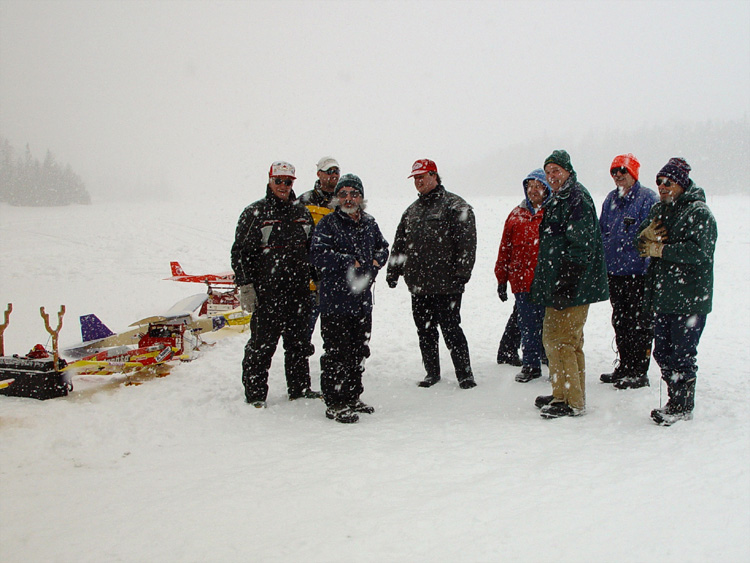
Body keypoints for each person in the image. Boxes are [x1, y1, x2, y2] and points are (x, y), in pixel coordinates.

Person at [231, 161, 322, 407]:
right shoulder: (255, 213)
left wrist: (317, 281)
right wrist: (246, 286)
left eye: (288, 181)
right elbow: (240, 252)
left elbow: (312, 250)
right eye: (278, 181)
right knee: (261, 346)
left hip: (299, 292)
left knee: (299, 345)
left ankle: (299, 388)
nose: (283, 186)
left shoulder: (302, 213)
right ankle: (255, 394)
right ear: (270, 180)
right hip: (268, 294)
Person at [637, 157, 717, 426]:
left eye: (668, 182)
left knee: (682, 355)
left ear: (682, 184)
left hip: (690, 298)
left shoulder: (699, 213)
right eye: (659, 182)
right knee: (662, 352)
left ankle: (682, 405)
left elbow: (700, 251)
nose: (662, 186)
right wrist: (644, 236)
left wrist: (663, 250)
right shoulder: (659, 209)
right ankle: (674, 398)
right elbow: (641, 242)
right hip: (663, 296)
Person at [530, 150, 609, 418]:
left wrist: (567, 283)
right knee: (559, 340)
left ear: (568, 171)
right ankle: (562, 393)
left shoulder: (576, 198)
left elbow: (580, 246)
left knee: (562, 340)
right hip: (560, 284)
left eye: (556, 171)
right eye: (548, 172)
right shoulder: (559, 198)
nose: (552, 176)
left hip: (572, 287)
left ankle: (571, 401)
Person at [386, 159, 477, 389]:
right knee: (425, 331)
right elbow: (400, 244)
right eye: (415, 178)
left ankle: (465, 375)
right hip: (418, 284)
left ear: (434, 176)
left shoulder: (455, 206)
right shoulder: (411, 211)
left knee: (451, 329)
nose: (418, 181)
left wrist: (462, 272)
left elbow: (467, 242)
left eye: (422, 176)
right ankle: (432, 373)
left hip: (447, 284)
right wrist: (393, 270)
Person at [310, 174, 389, 423]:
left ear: (361, 197)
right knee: (336, 353)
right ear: (337, 197)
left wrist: (376, 262)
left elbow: (383, 247)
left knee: (359, 351)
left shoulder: (369, 223)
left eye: (354, 194)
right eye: (343, 194)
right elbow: (318, 255)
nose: (348, 198)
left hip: (362, 302)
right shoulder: (328, 224)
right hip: (335, 302)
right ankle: (335, 402)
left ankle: (353, 396)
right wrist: (348, 261)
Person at [599, 154, 659, 389]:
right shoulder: (610, 200)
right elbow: (602, 231)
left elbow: (652, 236)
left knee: (640, 324)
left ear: (633, 173)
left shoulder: (647, 199)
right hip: (615, 273)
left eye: (623, 170)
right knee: (620, 321)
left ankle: (638, 371)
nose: (618, 175)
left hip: (639, 275)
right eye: (614, 171)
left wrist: (645, 268)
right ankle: (624, 366)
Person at [495, 169, 551, 383]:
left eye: (538, 186)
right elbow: (505, 249)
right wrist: (501, 279)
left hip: (546, 281)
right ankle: (530, 365)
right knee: (527, 325)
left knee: (549, 324)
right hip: (521, 281)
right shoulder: (516, 215)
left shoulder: (553, 213)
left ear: (547, 189)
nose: (533, 190)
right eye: (530, 186)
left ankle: (553, 363)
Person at [299, 157, 341, 353]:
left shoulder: (344, 200)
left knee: (336, 334)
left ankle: (336, 363)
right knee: (302, 333)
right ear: (319, 174)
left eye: (336, 171)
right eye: (328, 171)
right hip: (309, 282)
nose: (333, 175)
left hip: (336, 281)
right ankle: (300, 364)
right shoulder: (303, 201)